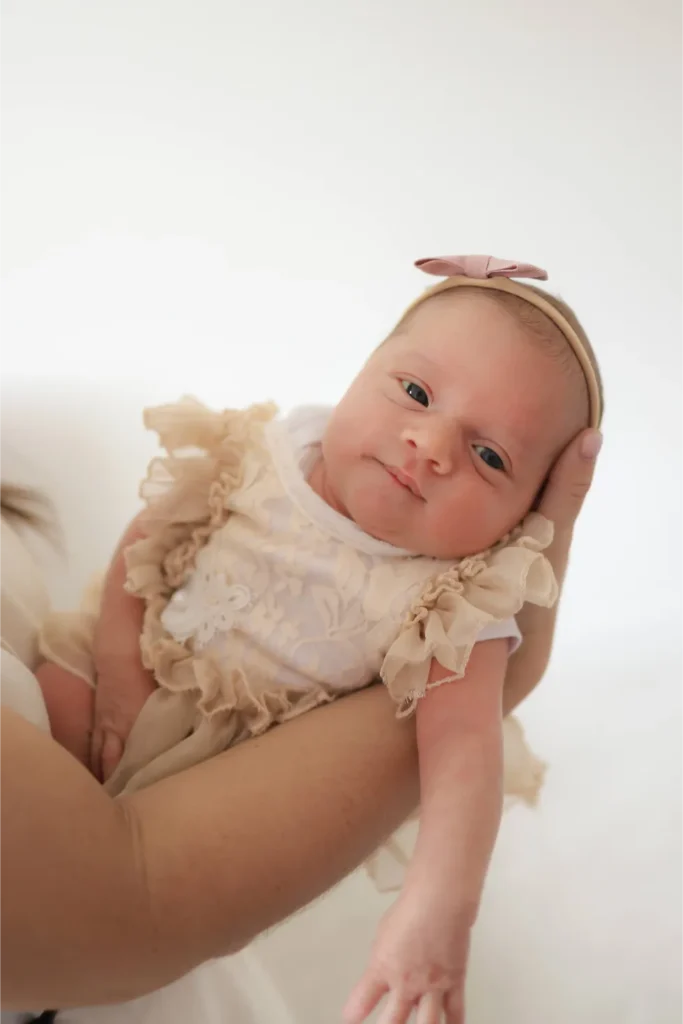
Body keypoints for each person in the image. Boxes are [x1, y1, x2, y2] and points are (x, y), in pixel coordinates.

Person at [30, 254, 603, 1023]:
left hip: (226, 786)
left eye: (489, 455)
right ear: (363, 366)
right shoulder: (264, 456)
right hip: (122, 668)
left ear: (523, 523)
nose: (430, 444)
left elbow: (466, 756)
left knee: (163, 946)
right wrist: (118, 671)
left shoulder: (450, 599)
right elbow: (150, 543)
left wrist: (438, 909)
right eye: (415, 392)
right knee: (49, 717)